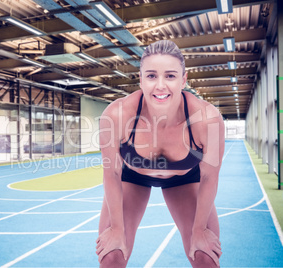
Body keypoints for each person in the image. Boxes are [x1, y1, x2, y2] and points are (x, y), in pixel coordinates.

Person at [95, 40, 224, 268]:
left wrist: (198, 230)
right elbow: (112, 172)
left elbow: (209, 177)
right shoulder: (117, 115)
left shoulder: (207, 119)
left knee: (204, 257)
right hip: (132, 177)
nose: (160, 86)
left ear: (184, 80)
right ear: (141, 78)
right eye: (152, 76)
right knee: (111, 256)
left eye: (171, 76)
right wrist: (116, 229)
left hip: (185, 179)